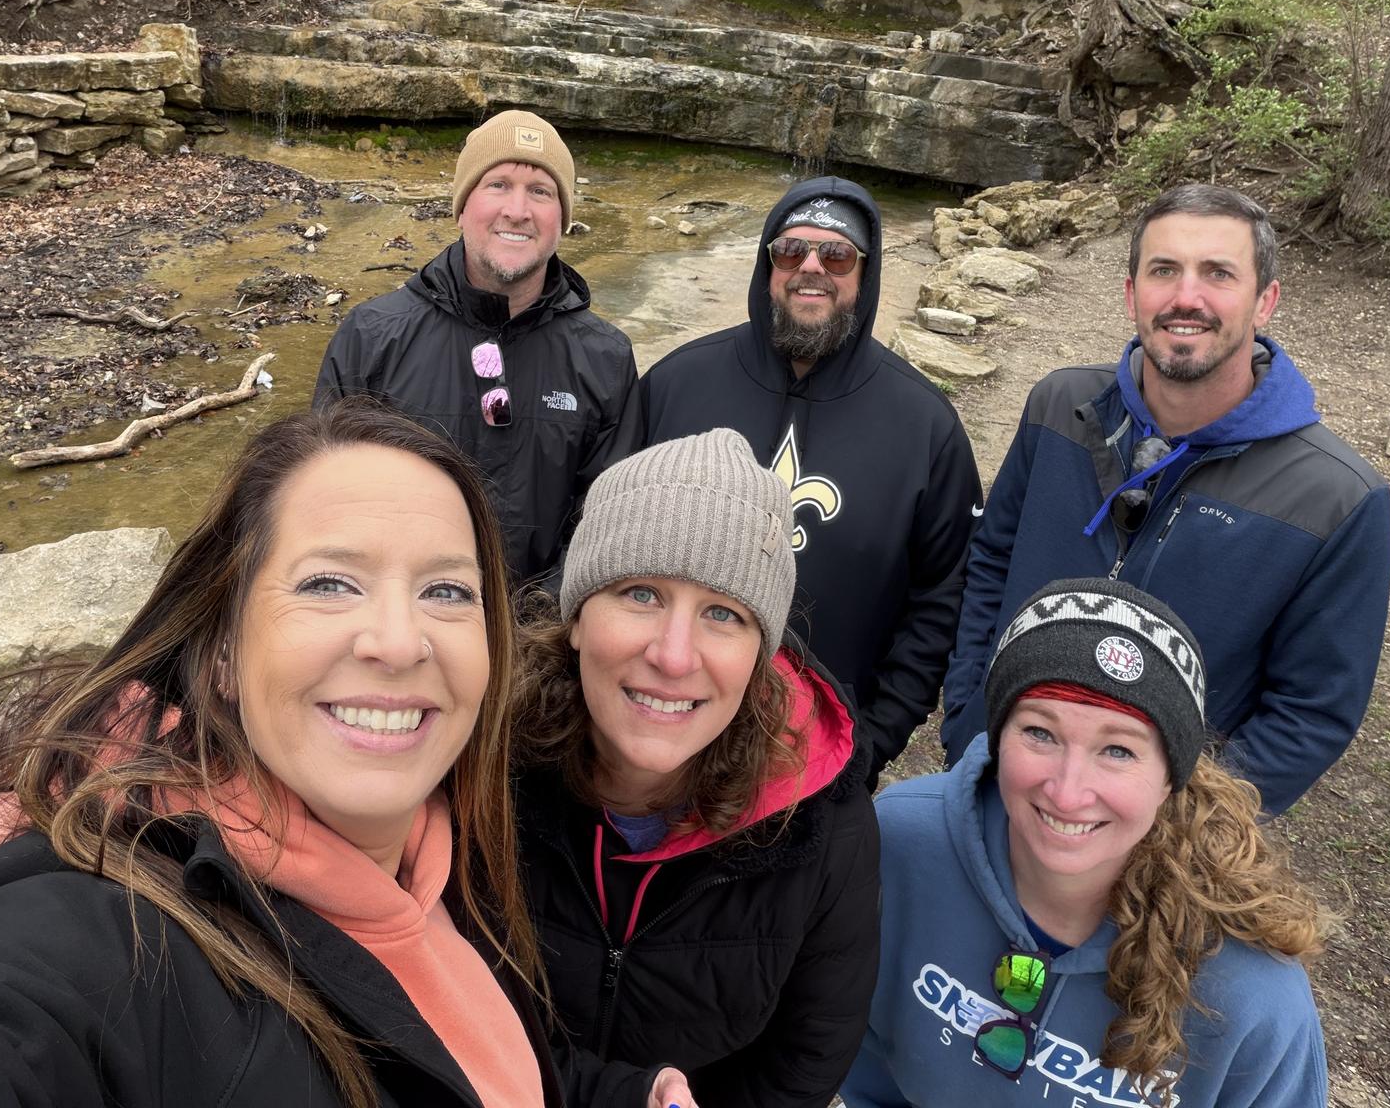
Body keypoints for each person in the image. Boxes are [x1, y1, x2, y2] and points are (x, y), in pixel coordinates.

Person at [0, 400, 558, 1108]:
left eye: (447, 591)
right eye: (329, 583)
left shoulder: (452, 854)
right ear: (223, 651)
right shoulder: (120, 945)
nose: (399, 642)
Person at [939, 183, 1390, 815]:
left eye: (1218, 273)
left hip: (1161, 836)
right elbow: (992, 560)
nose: (1187, 297)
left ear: (1265, 301)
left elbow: (1311, 710)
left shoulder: (1338, 498)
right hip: (995, 777)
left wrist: (1180, 826)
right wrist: (968, 719)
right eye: (1164, 270)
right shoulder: (1057, 407)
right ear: (1131, 294)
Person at [844, 579, 1329, 1108]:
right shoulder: (900, 845)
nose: (1067, 792)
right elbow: (859, 1050)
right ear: (999, 736)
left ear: (1171, 777)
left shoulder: (1253, 992)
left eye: (1118, 750)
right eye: (1040, 733)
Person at [512, 428, 879, 1108]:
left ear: (759, 656)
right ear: (577, 618)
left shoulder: (820, 818)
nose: (675, 656)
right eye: (641, 594)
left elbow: (809, 1052)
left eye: (723, 613)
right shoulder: (485, 764)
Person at [628, 176, 981, 779]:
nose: (811, 268)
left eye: (837, 255)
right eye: (791, 251)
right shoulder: (675, 385)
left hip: (821, 749)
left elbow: (941, 600)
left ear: (865, 274)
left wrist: (873, 739)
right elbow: (605, 546)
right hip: (661, 716)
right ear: (767, 265)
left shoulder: (925, 426)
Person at [314, 109, 637, 588]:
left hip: (539, 625)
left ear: (563, 219)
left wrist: (541, 617)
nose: (518, 210)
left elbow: (607, 521)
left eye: (541, 191)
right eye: (498, 185)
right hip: (401, 615)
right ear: (463, 206)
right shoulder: (373, 336)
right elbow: (328, 498)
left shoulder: (606, 359)